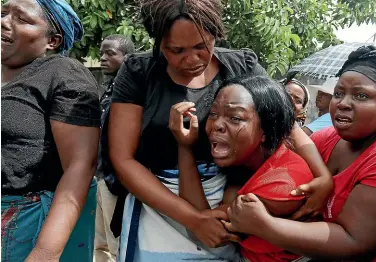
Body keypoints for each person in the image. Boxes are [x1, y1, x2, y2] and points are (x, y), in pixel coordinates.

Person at [107, 0, 332, 260]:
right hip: (159, 203)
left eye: (202, 46)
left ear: (215, 33)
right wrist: (194, 219)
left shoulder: (240, 66)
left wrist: (322, 176)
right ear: (158, 42)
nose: (191, 59)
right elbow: (123, 159)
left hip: (231, 197)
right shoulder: (139, 73)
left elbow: (282, 119)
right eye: (176, 50)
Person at [224, 46, 376, 261]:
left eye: (361, 95)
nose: (343, 103)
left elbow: (354, 242)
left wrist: (265, 225)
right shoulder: (326, 139)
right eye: (338, 93)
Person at [169, 75, 315, 261]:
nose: (217, 125)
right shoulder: (254, 161)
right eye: (213, 114)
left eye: (235, 118)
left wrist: (184, 148)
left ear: (266, 130)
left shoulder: (284, 185)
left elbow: (203, 229)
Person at [1, 0, 100, 261]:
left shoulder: (61, 73)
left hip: (25, 223)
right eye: (3, 13)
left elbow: (81, 165)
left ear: (53, 41)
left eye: (21, 19)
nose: (3, 21)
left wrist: (46, 252)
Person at [94, 34, 135, 262]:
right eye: (102, 53)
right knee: (98, 243)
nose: (103, 58)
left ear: (127, 57)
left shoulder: (131, 93)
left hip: (115, 180)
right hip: (99, 175)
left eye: (110, 53)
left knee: (117, 242)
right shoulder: (108, 89)